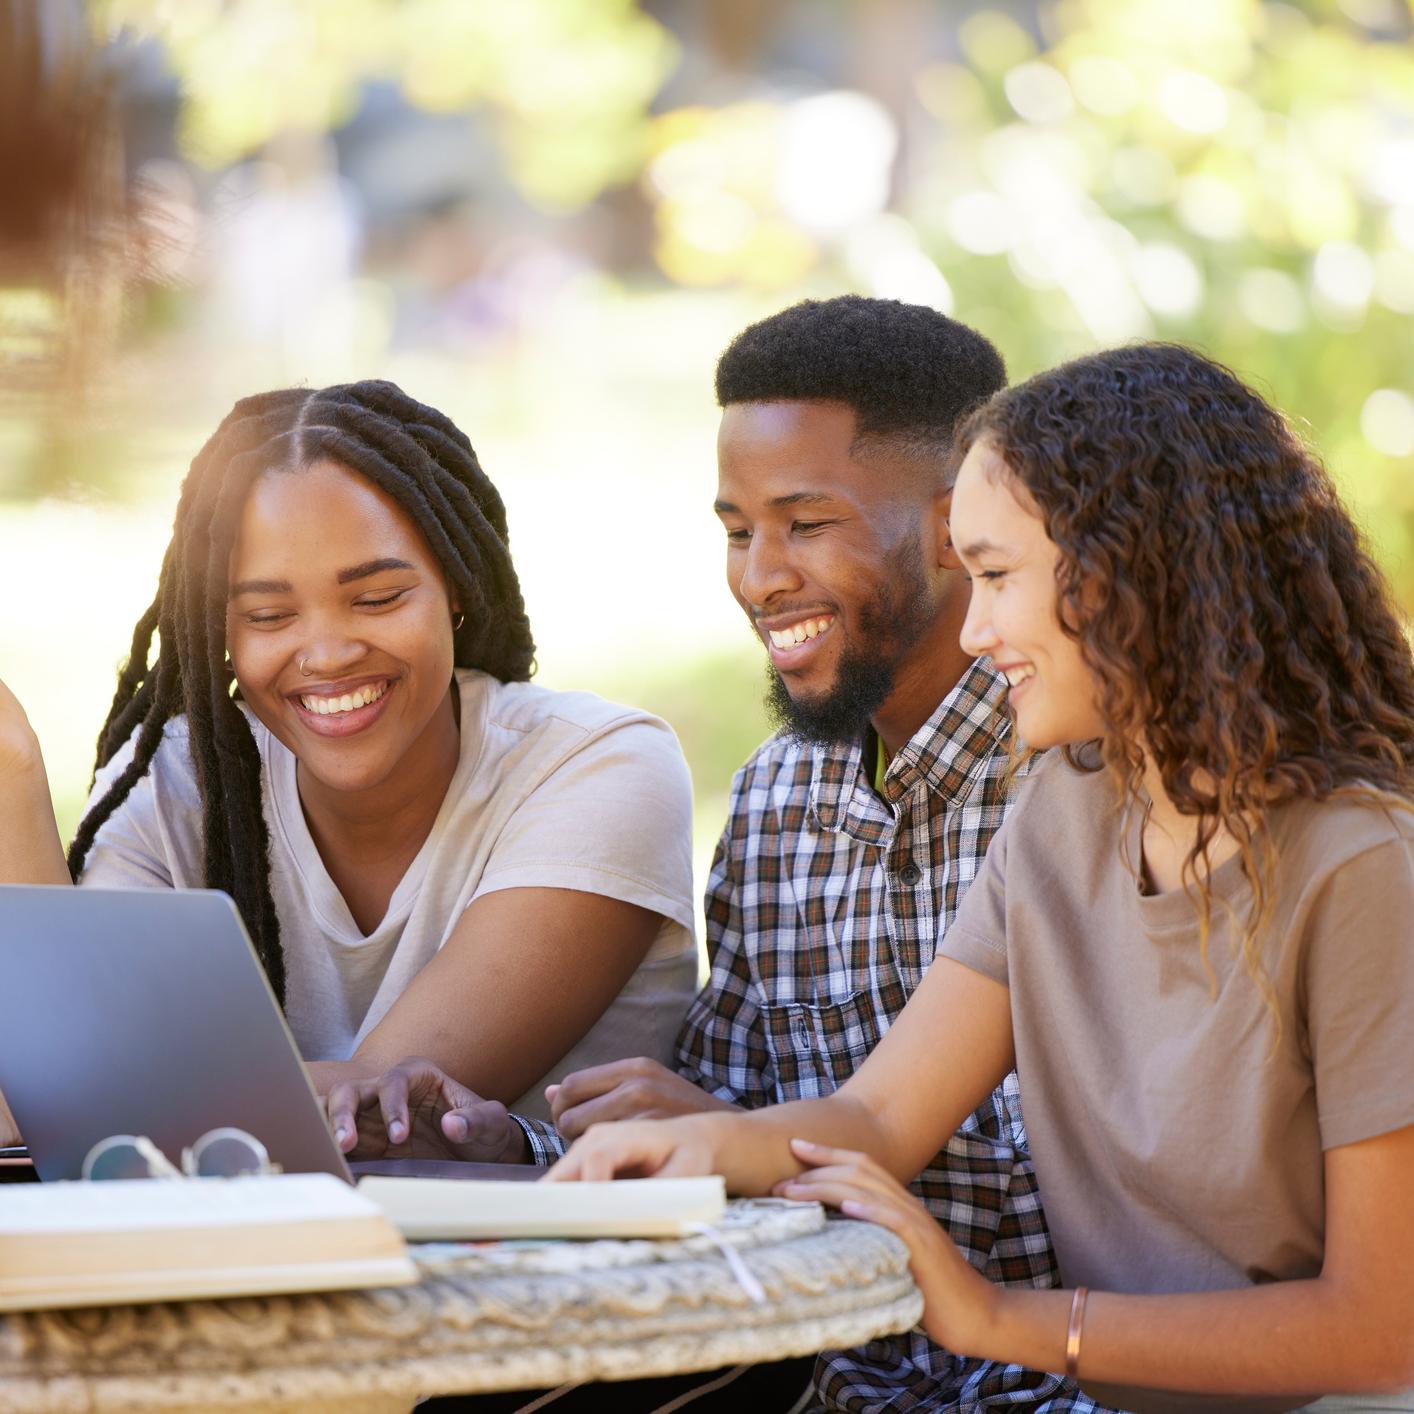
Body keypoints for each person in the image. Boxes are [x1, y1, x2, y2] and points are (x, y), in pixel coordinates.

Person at [549, 343, 1414, 1413]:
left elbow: (1378, 1328)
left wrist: (999, 1320)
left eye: (998, 577)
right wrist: (690, 1149)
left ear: (1127, 573)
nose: (974, 629)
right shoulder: (1062, 805)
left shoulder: (1364, 865)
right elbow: (878, 1118)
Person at [533, 296, 1102, 1410]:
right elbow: (730, 1112)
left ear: (955, 528)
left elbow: (1085, 1191)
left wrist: (748, 1143)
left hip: (1056, 1373)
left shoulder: (1083, 781)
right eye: (737, 531)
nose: (758, 577)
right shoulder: (774, 799)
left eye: (805, 522)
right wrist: (642, 1126)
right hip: (814, 1369)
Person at [0, 379, 698, 1157]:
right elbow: (49, 1091)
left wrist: (112, 1091)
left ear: (456, 592)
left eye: (377, 598)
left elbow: (379, 1110)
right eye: (268, 615)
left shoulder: (597, 769)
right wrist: (13, 779)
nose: (328, 654)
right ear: (218, 631)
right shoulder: (175, 782)